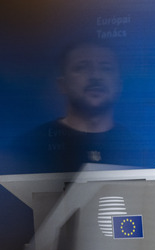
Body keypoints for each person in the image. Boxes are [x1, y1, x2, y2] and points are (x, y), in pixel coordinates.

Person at [6, 41, 142, 173]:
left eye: (106, 68)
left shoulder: (136, 149)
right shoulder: (29, 147)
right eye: (82, 67)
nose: (95, 76)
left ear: (119, 85)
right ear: (62, 84)